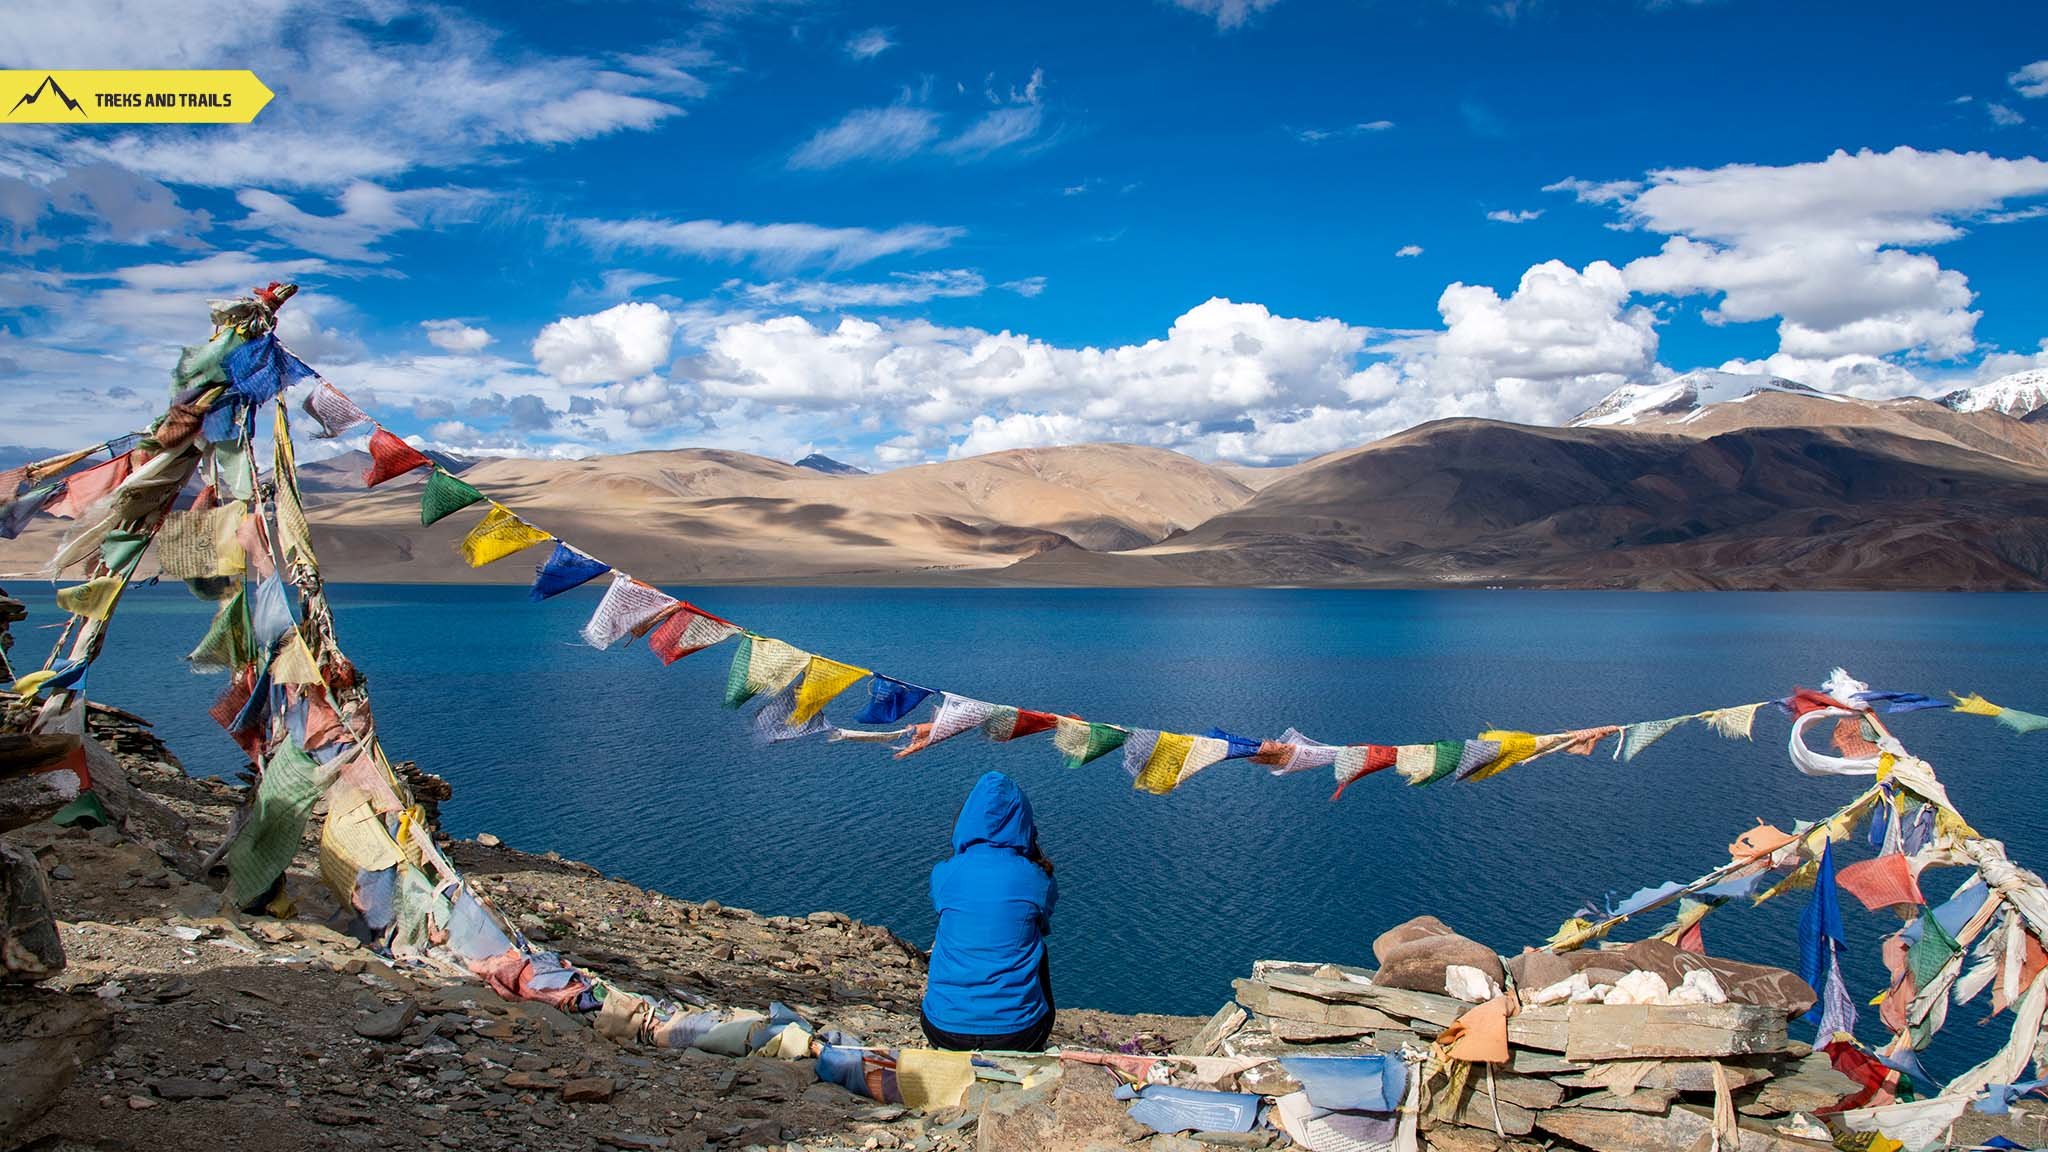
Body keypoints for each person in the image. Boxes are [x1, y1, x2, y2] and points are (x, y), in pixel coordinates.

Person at [921, 771, 1057, 1052]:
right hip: (1020, 1034)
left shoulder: (944, 874)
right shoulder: (1037, 878)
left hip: (942, 1031)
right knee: (1035, 946)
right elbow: (1043, 923)